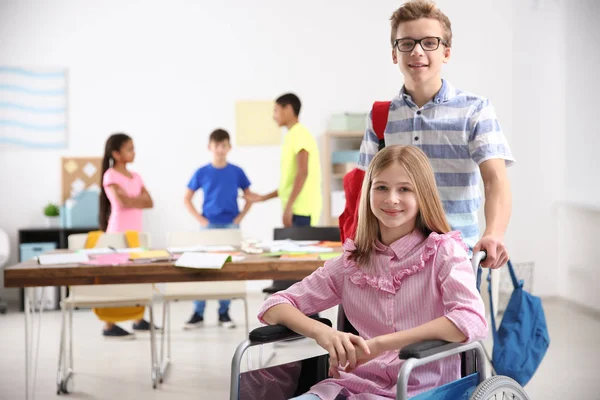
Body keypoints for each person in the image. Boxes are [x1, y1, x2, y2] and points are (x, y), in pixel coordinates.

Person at [258, 145, 487, 400]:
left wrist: (380, 345)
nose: (391, 198)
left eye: (404, 189)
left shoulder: (444, 252)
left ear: (422, 195)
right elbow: (274, 305)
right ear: (368, 192)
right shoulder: (351, 264)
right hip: (350, 388)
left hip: (423, 390)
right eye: (381, 187)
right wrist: (324, 333)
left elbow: (471, 319)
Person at [358, 0, 514, 269]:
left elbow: (495, 179)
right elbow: (366, 187)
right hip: (392, 261)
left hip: (455, 259)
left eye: (429, 42)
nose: (417, 51)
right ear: (395, 54)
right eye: (406, 43)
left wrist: (494, 233)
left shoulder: (475, 110)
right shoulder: (381, 115)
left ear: (446, 52)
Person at [183, 128, 253, 329]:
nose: (220, 150)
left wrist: (240, 217)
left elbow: (249, 196)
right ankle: (198, 312)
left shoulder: (237, 171)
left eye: (224, 146)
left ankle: (224, 312)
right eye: (216, 146)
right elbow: (187, 198)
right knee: (203, 267)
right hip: (209, 226)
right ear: (209, 147)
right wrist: (201, 219)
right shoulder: (202, 172)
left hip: (231, 225)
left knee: (227, 268)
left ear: (229, 147)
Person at [98, 132, 154, 339]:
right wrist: (135, 199)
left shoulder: (136, 176)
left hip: (135, 234)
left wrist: (132, 200)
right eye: (129, 149)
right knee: (115, 278)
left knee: (139, 276)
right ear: (116, 153)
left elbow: (149, 202)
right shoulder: (110, 175)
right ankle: (108, 324)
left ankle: (138, 319)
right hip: (117, 234)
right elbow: (122, 204)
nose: (134, 152)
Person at [245, 93, 322, 227]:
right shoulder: (291, 136)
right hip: (295, 209)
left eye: (276, 110)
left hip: (301, 211)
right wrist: (263, 198)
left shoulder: (300, 133)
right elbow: (288, 184)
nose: (273, 116)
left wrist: (289, 207)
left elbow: (303, 172)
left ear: (288, 109)